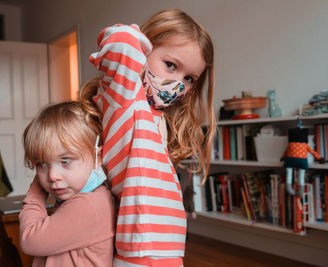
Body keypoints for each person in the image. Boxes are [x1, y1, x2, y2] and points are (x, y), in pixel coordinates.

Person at [80, 8, 216, 267]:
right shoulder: (125, 95)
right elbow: (121, 40)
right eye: (170, 65)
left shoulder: (159, 118)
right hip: (141, 244)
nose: (177, 84)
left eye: (188, 78)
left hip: (169, 244)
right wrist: (139, 47)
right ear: (144, 52)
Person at [19, 101, 115, 267]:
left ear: (97, 158)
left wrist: (36, 191)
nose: (52, 176)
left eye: (66, 161)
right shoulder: (87, 197)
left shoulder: (89, 205)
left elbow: (29, 240)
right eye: (41, 164)